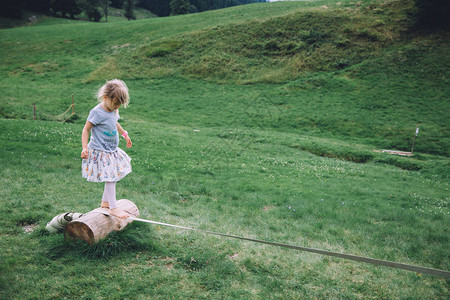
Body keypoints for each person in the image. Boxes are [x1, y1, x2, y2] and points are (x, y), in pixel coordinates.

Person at [81, 79, 133, 218]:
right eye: (115, 103)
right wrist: (84, 147)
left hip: (111, 150)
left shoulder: (113, 110)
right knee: (110, 177)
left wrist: (124, 134)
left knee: (113, 176)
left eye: (119, 105)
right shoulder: (96, 112)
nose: (117, 107)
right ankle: (113, 207)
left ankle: (105, 203)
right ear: (105, 98)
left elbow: (114, 123)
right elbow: (86, 129)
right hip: (100, 151)